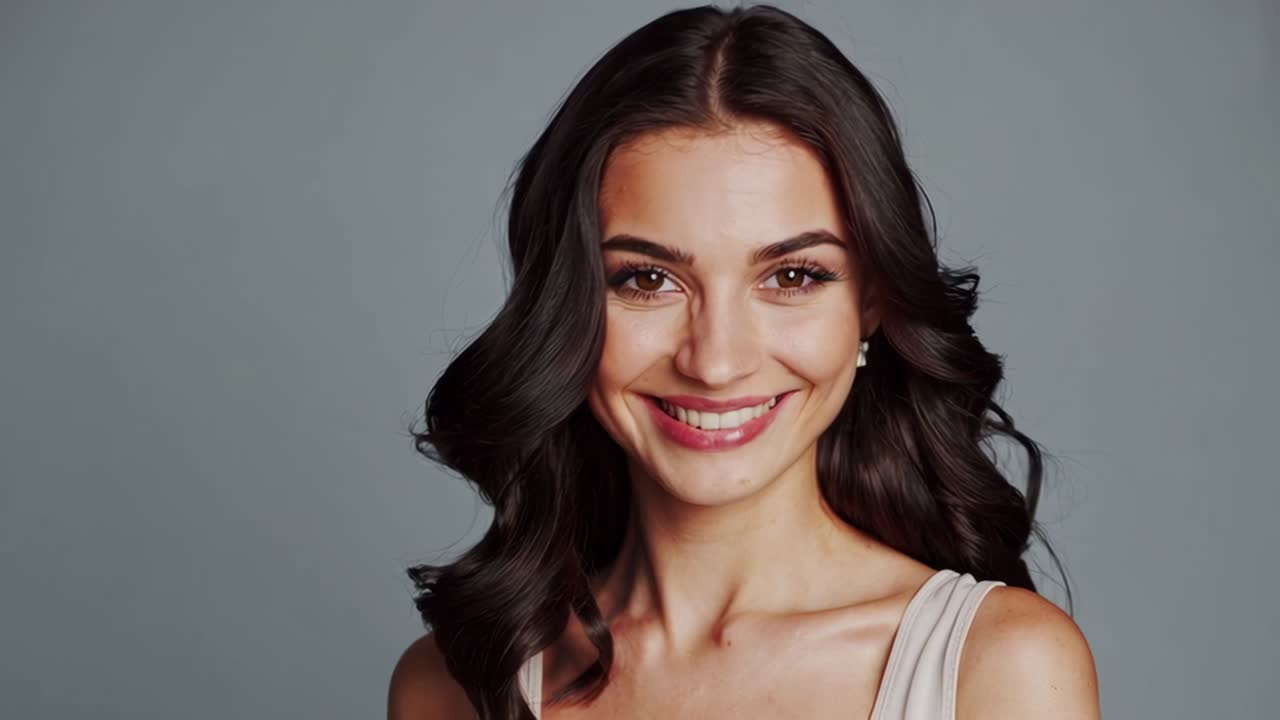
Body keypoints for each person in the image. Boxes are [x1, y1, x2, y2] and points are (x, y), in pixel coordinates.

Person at [389, 4, 1100, 719]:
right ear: (565, 309)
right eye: (646, 279)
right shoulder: (453, 684)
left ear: (872, 303)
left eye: (792, 277)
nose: (717, 361)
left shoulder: (1002, 665)